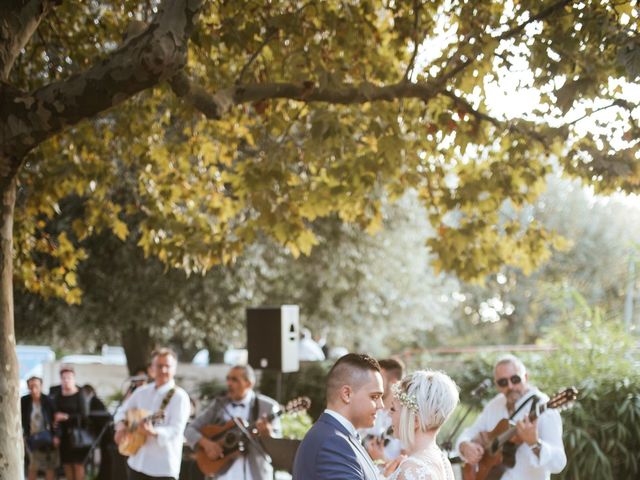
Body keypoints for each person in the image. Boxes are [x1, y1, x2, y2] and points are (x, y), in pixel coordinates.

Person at [456, 354, 567, 480]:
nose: (510, 386)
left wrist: (534, 444)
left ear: (525, 377)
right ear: (496, 385)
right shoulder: (494, 405)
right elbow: (471, 431)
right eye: (503, 382)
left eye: (515, 379)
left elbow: (558, 464)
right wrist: (464, 446)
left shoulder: (544, 408)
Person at [292, 353, 384, 480]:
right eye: (374, 397)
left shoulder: (335, 436)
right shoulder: (334, 443)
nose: (381, 405)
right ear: (347, 394)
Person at [184, 364, 281, 480]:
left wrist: (267, 434)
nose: (229, 383)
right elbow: (189, 430)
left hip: (255, 474)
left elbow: (278, 448)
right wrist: (207, 444)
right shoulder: (219, 405)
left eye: (234, 380)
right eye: (228, 379)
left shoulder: (268, 407)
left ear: (249, 383)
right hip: (222, 475)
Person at [114, 348, 191, 480]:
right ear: (152, 368)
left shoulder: (180, 397)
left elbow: (176, 430)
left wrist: (154, 432)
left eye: (167, 366)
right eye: (160, 366)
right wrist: (120, 426)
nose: (163, 370)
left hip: (163, 467)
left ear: (174, 368)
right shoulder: (141, 392)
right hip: (137, 462)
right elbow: (121, 411)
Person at [386, 370, 459, 480]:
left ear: (415, 420)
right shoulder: (443, 460)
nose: (388, 414)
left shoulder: (411, 469)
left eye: (393, 409)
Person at [362, 358, 405, 464]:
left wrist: (382, 459)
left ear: (394, 383)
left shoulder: (404, 418)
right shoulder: (367, 409)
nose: (374, 384)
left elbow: (408, 463)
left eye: (380, 379)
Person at [53, 365, 90, 480]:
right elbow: (55, 415)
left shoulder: (80, 394)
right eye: (64, 378)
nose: (66, 380)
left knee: (78, 466)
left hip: (78, 436)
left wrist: (67, 417)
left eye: (69, 378)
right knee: (67, 465)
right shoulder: (58, 395)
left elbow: (85, 416)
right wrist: (56, 434)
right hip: (63, 436)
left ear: (74, 378)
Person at [22, 376, 60, 480]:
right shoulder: (24, 401)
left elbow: (56, 419)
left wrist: (56, 436)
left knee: (49, 466)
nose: (33, 389)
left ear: (41, 386)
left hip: (48, 438)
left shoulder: (48, 400)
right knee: (33, 467)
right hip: (32, 439)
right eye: (31, 386)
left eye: (36, 386)